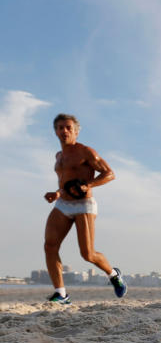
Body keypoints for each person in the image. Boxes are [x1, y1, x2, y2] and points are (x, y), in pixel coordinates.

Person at [42, 113, 126, 304]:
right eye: (60, 127)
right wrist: (57, 193)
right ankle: (61, 294)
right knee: (50, 246)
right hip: (63, 203)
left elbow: (109, 173)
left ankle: (113, 274)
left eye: (68, 127)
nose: (64, 131)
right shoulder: (59, 156)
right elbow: (65, 182)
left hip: (84, 205)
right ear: (55, 131)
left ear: (76, 131)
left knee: (87, 254)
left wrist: (89, 185)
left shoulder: (86, 152)